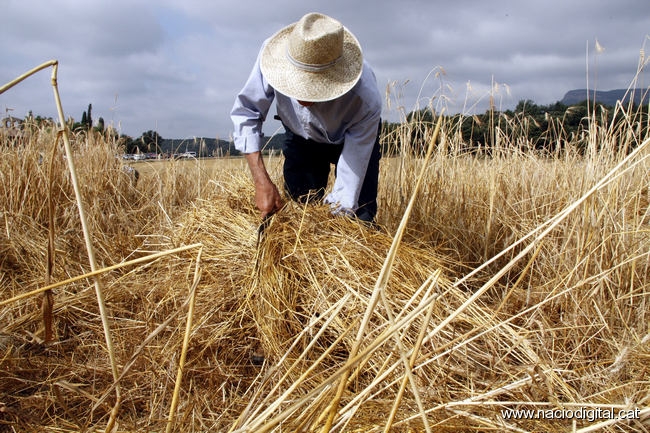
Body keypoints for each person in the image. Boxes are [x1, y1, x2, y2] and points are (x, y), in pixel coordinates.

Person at [230, 12, 382, 223]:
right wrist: (261, 180)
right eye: (298, 83)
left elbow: (346, 194)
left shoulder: (365, 98)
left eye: (314, 87)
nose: (302, 98)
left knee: (359, 218)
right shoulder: (271, 58)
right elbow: (247, 111)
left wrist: (336, 226)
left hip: (351, 139)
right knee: (299, 212)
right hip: (301, 139)